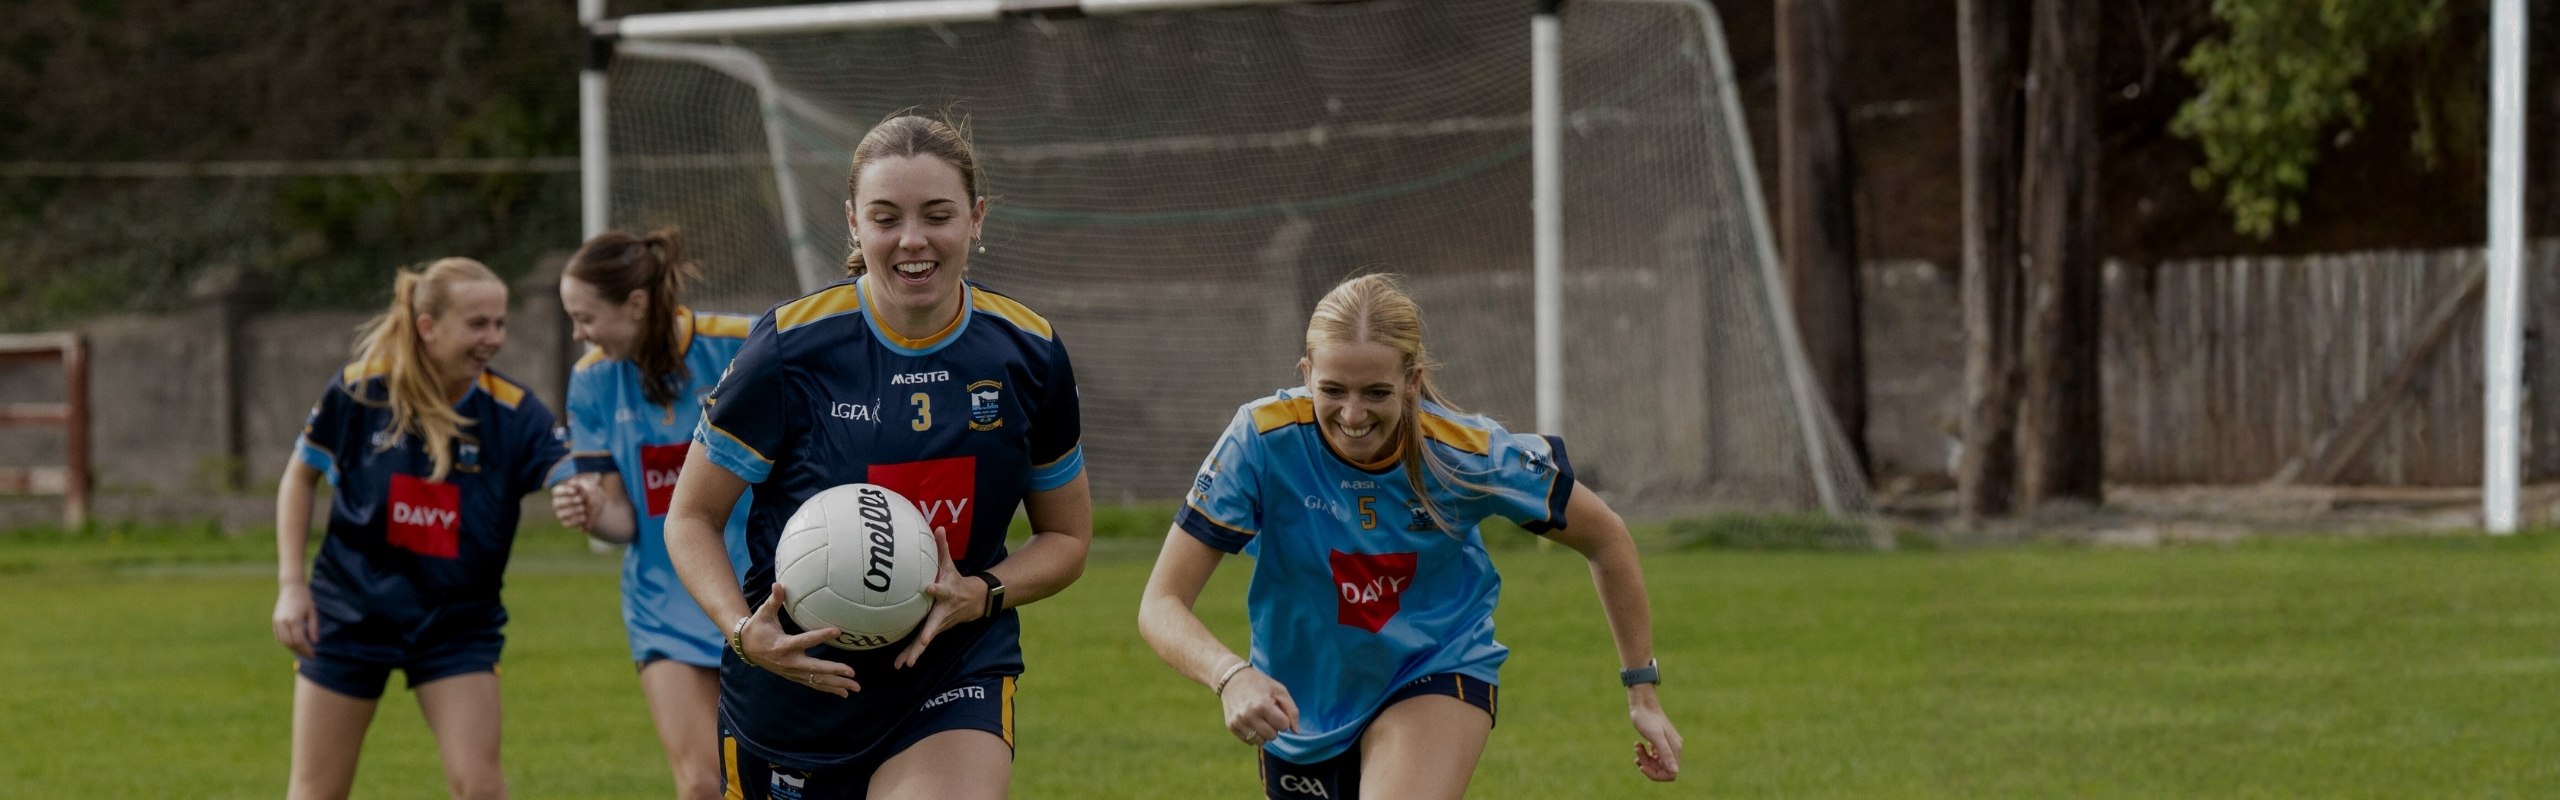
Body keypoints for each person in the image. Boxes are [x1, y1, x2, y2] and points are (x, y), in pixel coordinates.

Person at [662, 113, 1092, 800]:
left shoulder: (1028, 353)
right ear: (854, 225)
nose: (913, 240)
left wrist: (979, 595)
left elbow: (1067, 536)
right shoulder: (788, 349)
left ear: (976, 219)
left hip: (951, 672)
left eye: (938, 215)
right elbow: (690, 518)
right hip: (792, 692)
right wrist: (743, 632)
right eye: (886, 217)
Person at [1137, 274, 1684, 799]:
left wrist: (1642, 690)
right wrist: (1231, 676)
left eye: (1376, 392)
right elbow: (1161, 604)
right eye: (1332, 390)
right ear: (1306, 374)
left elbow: (1606, 537)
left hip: (1434, 667)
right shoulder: (1259, 442)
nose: (1353, 415)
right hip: (1300, 704)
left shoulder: (1466, 455)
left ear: (1413, 382)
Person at [271, 257, 571, 800]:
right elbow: (300, 477)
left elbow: (573, 478)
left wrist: (587, 495)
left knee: (480, 789)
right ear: (428, 327)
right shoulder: (361, 392)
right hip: (351, 613)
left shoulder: (513, 410)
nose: (494, 339)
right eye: (478, 324)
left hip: (455, 624)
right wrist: (292, 586)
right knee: (315, 792)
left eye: (500, 323)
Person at [548, 228, 756, 800]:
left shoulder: (744, 343)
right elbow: (624, 521)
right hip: (663, 607)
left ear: (635, 304)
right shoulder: (592, 380)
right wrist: (592, 510)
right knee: (699, 784)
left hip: (765, 596)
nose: (578, 333)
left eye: (585, 317)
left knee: (776, 781)